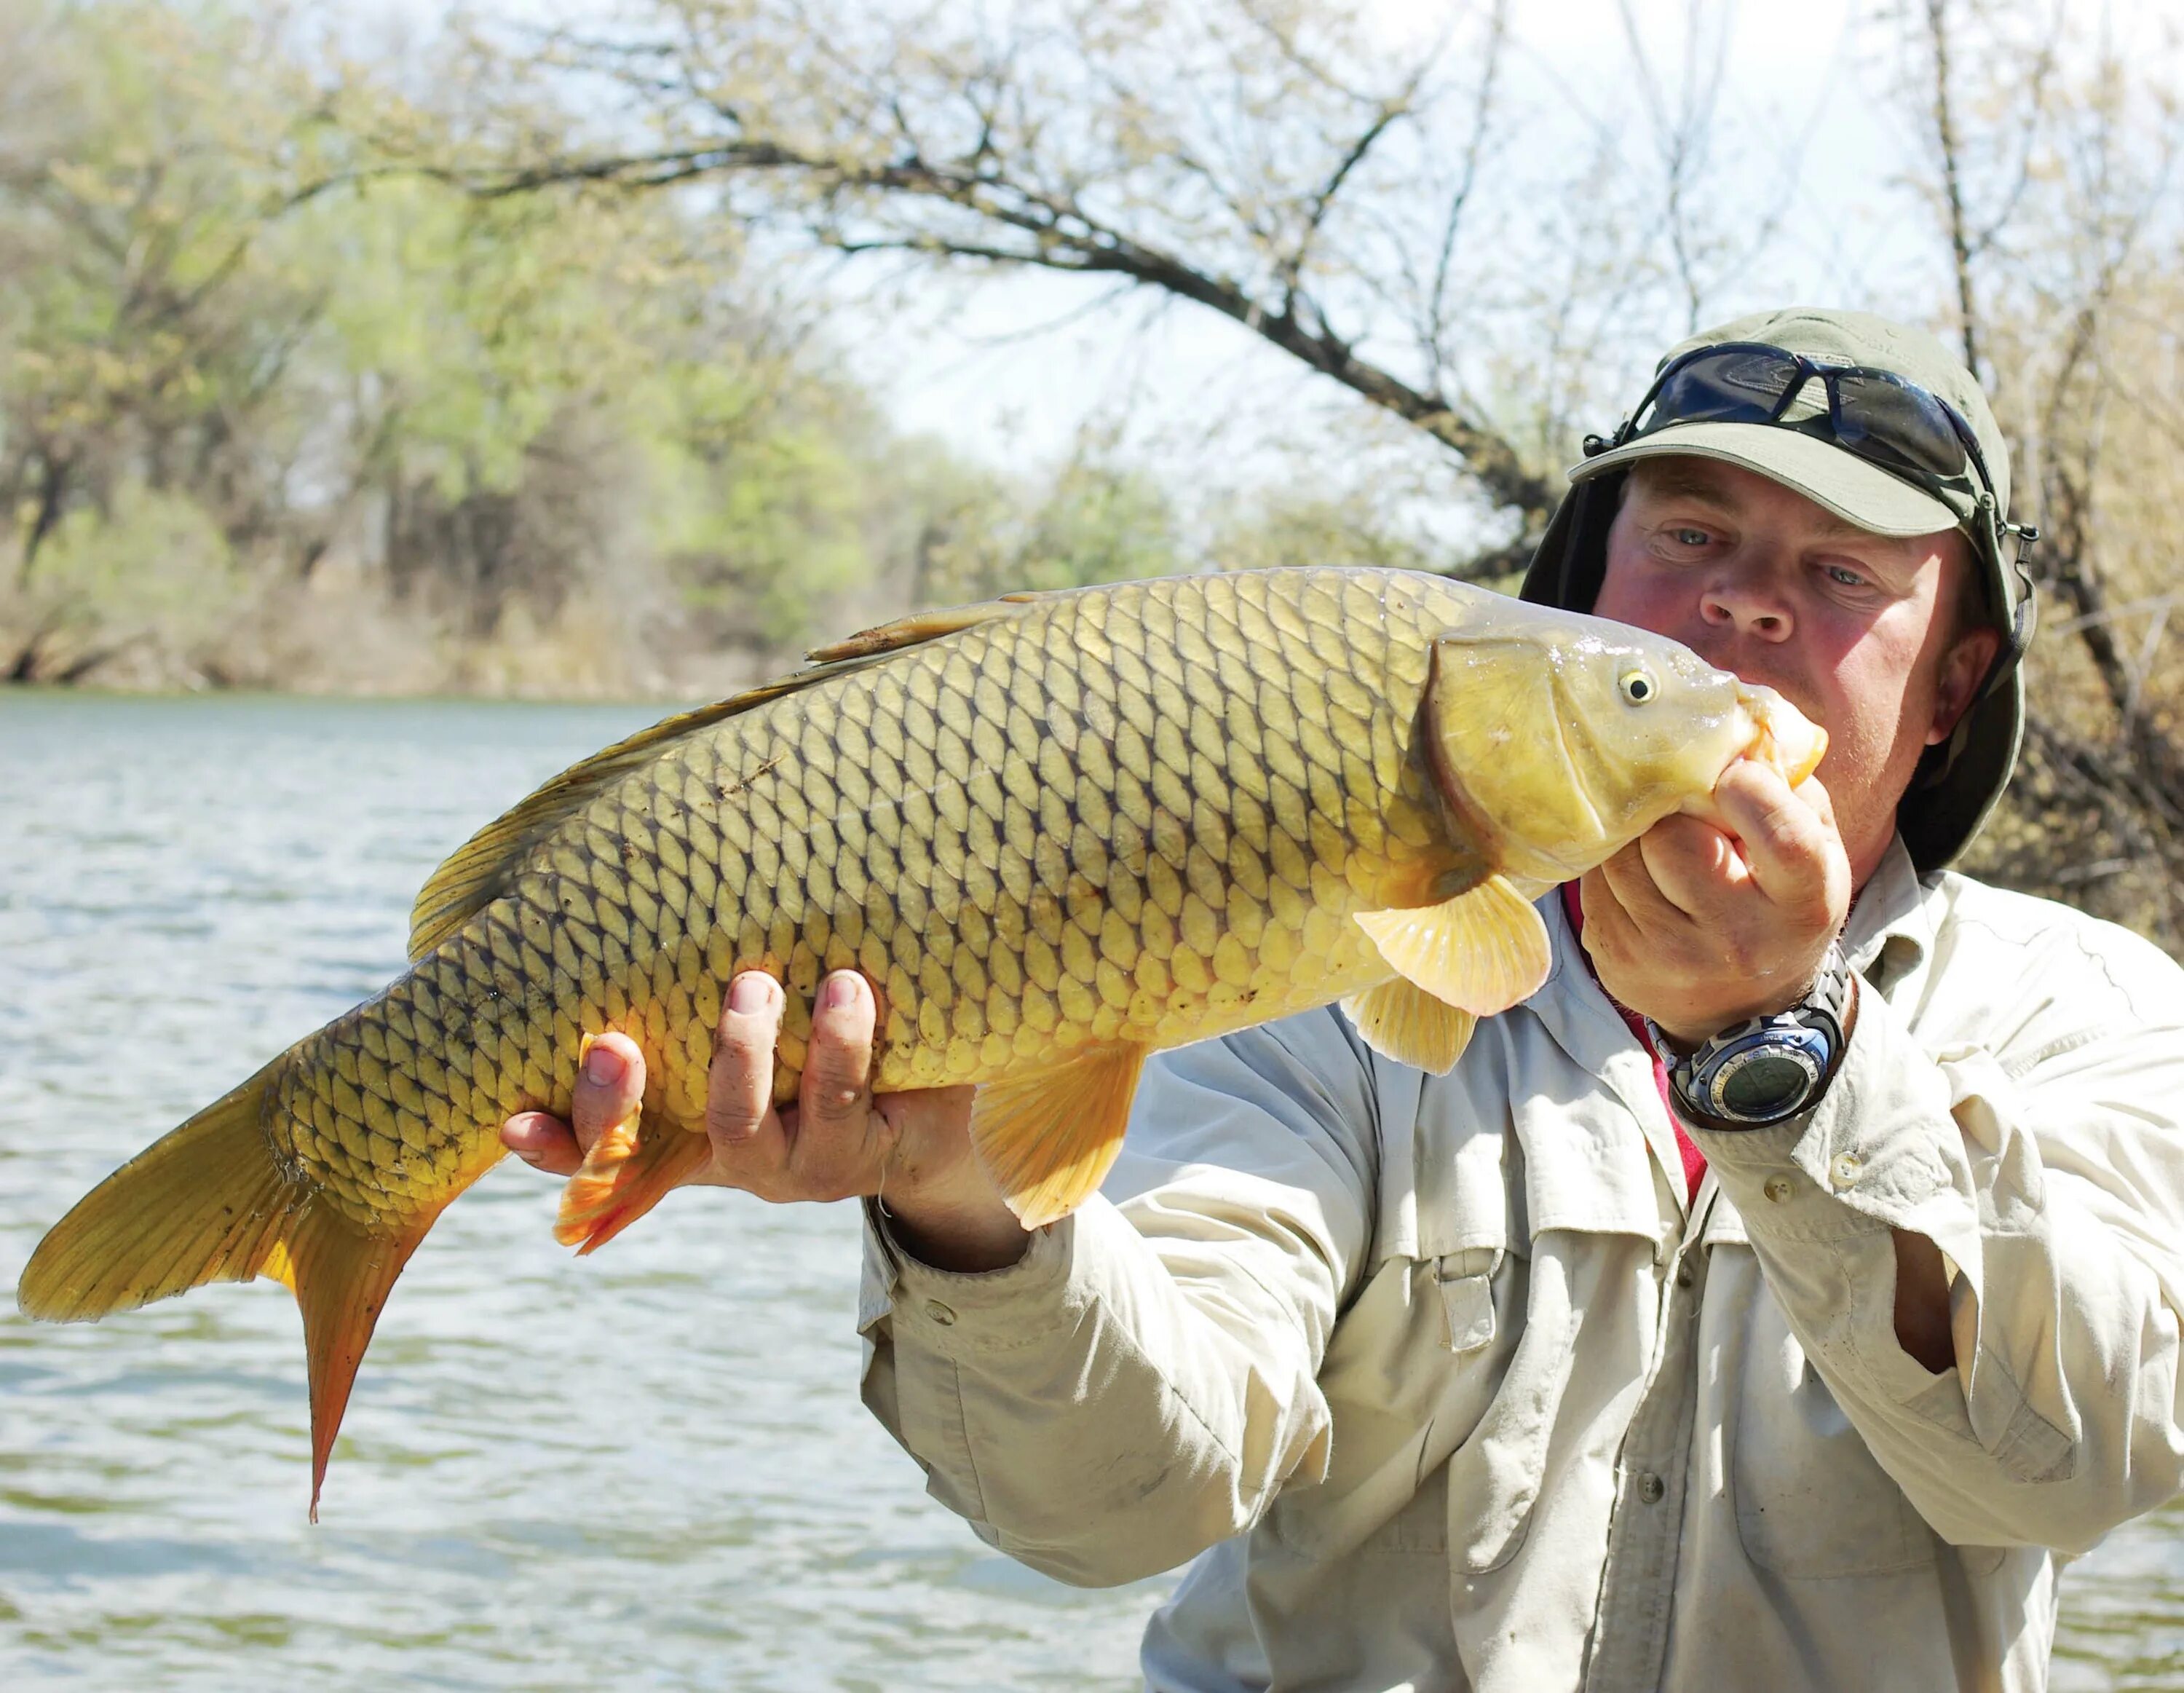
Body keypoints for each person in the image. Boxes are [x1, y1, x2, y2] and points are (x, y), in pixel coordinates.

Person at [503, 308, 2184, 1692]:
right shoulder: (1309, 962)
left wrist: (1789, 1046)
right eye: (1691, 536)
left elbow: (2063, 1460)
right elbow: (1116, 1501)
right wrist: (952, 1195)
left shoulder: (2095, 1015)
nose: (1746, 600)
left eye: (1841, 576)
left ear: (1960, 677)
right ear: (1580, 592)